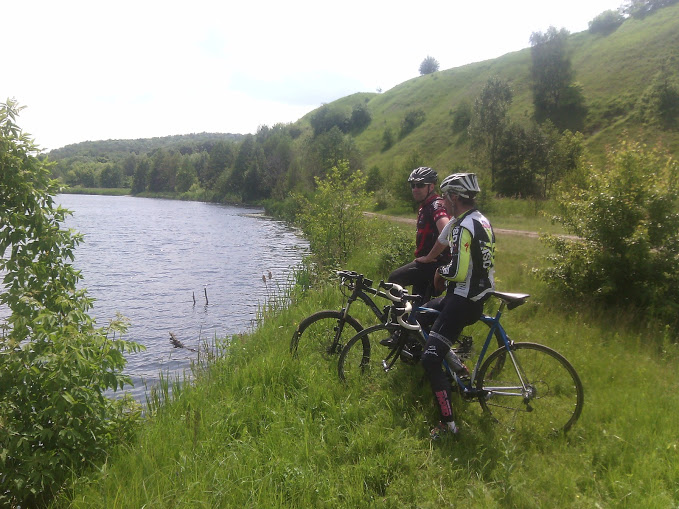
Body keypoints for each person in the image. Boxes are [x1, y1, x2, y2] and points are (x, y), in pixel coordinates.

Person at [419, 172, 496, 440]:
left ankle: (448, 425)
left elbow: (458, 271)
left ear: (454, 197)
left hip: (462, 300)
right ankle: (458, 367)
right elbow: (445, 242)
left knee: (430, 358)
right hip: (474, 296)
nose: (442, 201)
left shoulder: (464, 227)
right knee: (421, 316)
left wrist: (439, 271)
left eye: (444, 196)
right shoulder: (479, 220)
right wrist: (430, 260)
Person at [386, 166, 451, 303]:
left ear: (431, 186)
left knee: (395, 279)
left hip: (434, 264)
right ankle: (411, 316)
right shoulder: (426, 206)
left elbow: (447, 232)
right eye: (413, 185)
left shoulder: (436, 206)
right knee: (419, 305)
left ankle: (400, 316)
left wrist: (429, 257)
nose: (415, 189)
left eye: (420, 185)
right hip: (426, 264)